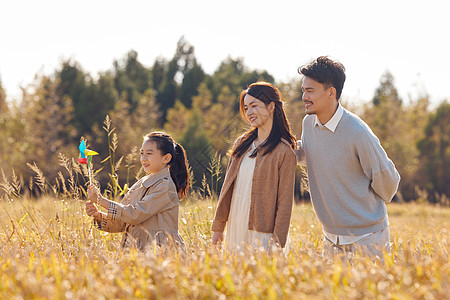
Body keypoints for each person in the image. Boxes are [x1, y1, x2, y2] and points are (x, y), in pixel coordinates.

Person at [296, 56, 400, 261]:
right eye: (303, 90)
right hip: (331, 239)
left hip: (368, 238)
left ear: (331, 92)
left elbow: (388, 179)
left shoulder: (357, 131)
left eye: (310, 91)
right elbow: (307, 154)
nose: (303, 97)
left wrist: (364, 210)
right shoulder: (308, 124)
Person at [211, 82, 297, 254]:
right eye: (246, 107)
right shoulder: (241, 145)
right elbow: (227, 188)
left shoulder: (284, 152)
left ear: (271, 106)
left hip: (263, 232)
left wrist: (277, 242)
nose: (249, 112)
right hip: (236, 224)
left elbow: (285, 203)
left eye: (254, 105)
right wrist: (219, 227)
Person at [85, 132, 189, 251]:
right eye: (142, 153)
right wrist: (99, 216)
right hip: (137, 252)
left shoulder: (165, 186)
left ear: (166, 158)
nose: (143, 158)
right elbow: (123, 221)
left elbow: (135, 214)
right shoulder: (141, 184)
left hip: (160, 253)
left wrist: (100, 200)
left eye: (149, 154)